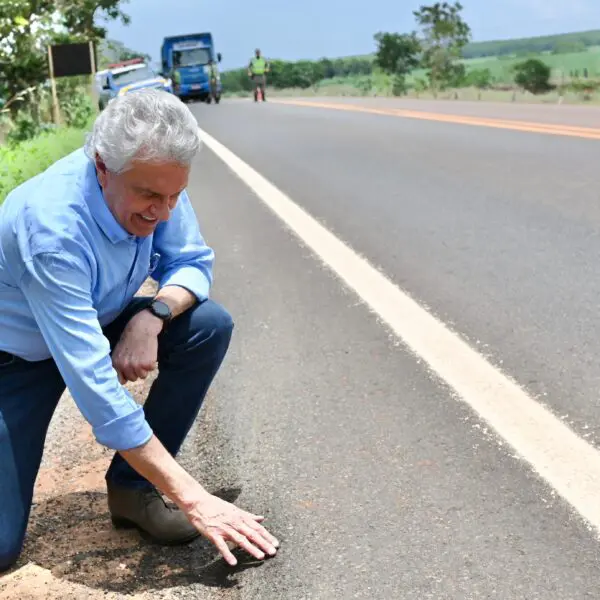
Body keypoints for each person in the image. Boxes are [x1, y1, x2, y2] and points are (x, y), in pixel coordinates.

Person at [0, 89, 279, 572]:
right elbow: (97, 393)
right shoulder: (52, 229)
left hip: (99, 317)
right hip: (16, 360)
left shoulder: (155, 175)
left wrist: (153, 317)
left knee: (206, 325)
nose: (164, 212)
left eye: (174, 195)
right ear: (102, 166)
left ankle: (133, 490)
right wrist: (194, 498)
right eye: (150, 196)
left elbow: (192, 262)